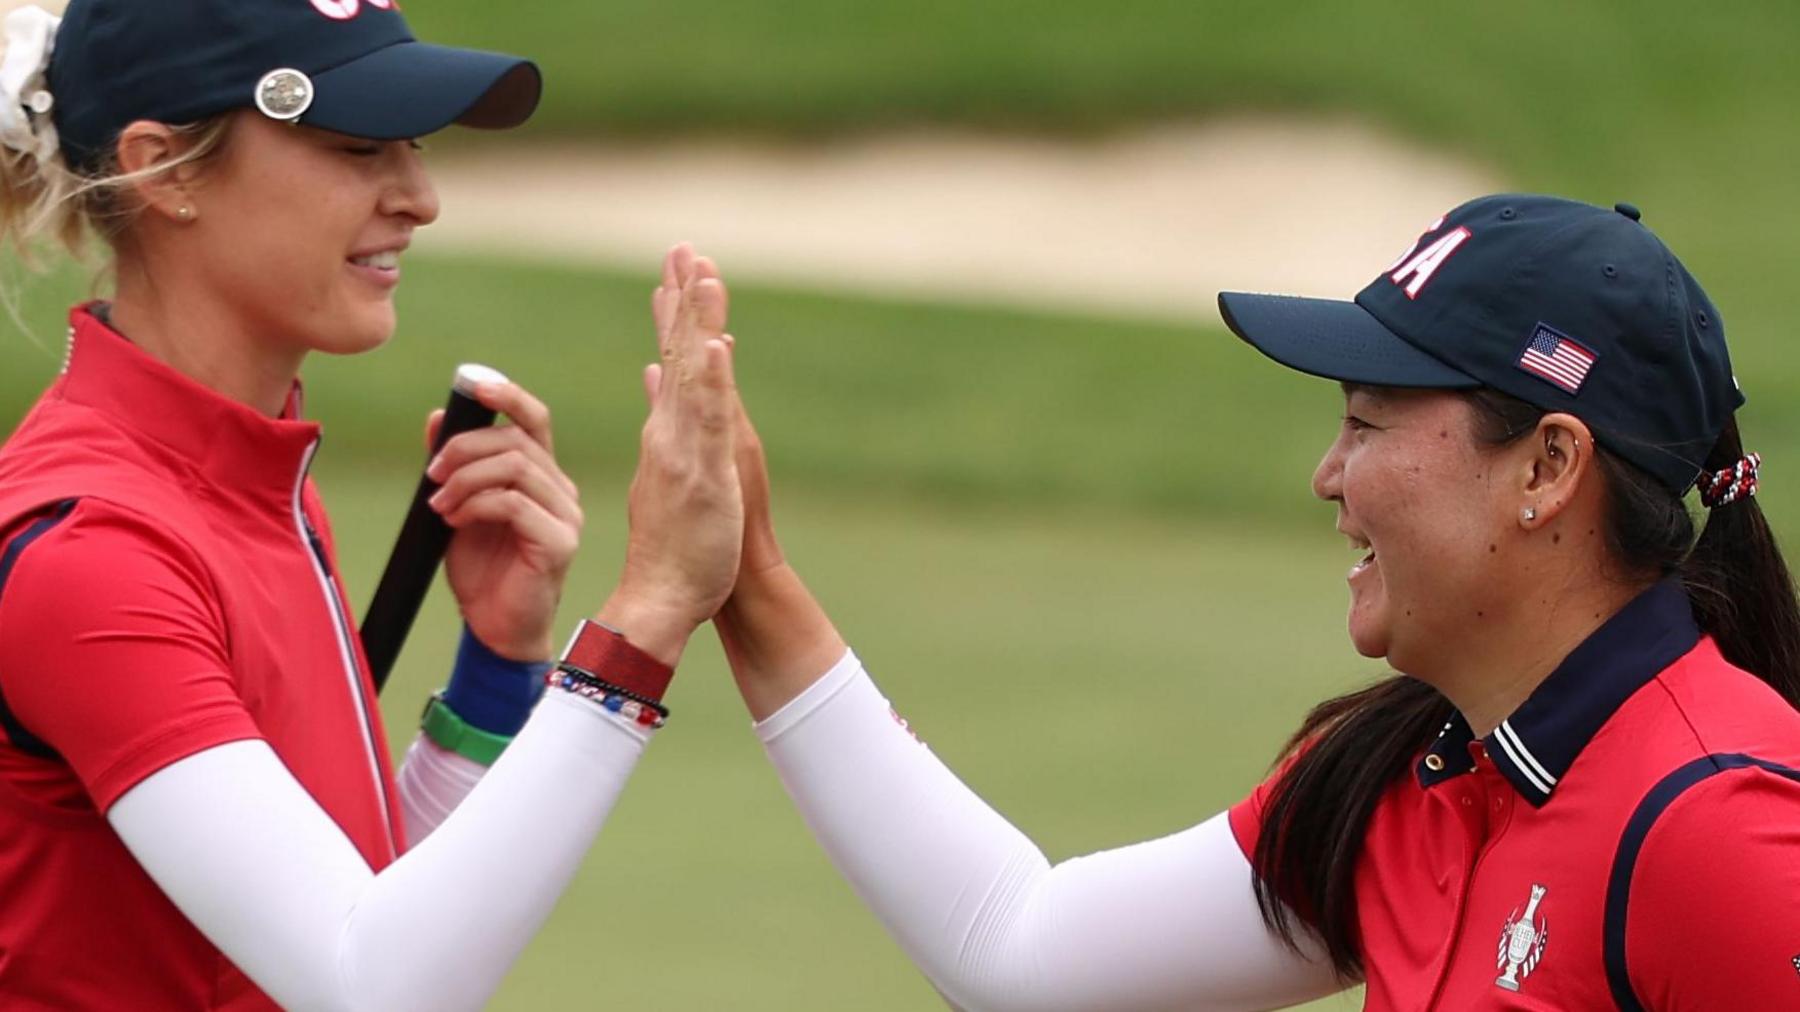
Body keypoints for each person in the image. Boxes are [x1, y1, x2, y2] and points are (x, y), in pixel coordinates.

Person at [697, 195, 1800, 1009]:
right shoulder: (1414, 776)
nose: (1329, 475)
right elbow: (1023, 953)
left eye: (1368, 423)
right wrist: (750, 578)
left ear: (1548, 468)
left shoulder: (1720, 831)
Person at [0, 2, 743, 1008]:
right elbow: (374, 985)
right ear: (167, 167)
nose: (419, 196)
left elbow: (371, 914)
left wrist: (498, 668)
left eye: (414, 145)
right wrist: (648, 614)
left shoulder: (245, 485)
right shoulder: (94, 551)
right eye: (358, 147)